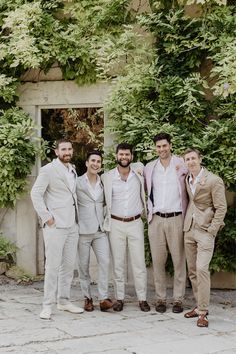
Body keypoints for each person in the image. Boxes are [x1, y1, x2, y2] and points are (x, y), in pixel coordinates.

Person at [31, 138, 84, 319]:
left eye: (69, 149)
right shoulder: (48, 170)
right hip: (55, 226)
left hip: (72, 225)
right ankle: (47, 305)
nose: (67, 152)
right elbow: (35, 194)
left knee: (68, 266)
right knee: (52, 266)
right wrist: (47, 218)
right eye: (63, 149)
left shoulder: (73, 169)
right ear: (56, 152)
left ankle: (63, 301)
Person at [102, 143, 150, 312]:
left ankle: (142, 298)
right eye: (121, 154)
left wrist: (138, 166)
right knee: (118, 264)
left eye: (127, 155)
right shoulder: (107, 177)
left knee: (139, 263)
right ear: (116, 156)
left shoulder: (138, 173)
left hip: (135, 222)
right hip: (115, 224)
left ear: (131, 156)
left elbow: (142, 166)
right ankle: (119, 298)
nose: (124, 157)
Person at [144, 132, 188, 313]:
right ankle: (160, 298)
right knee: (158, 261)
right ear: (156, 148)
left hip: (177, 217)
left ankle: (178, 299)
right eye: (158, 146)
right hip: (156, 219)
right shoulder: (149, 167)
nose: (162, 149)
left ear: (170, 145)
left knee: (179, 261)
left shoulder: (181, 164)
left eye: (164, 145)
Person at [183, 148, 227, 327]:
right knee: (192, 271)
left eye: (193, 158)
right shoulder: (187, 179)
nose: (191, 162)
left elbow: (221, 208)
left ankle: (203, 312)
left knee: (202, 269)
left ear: (200, 159)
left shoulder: (214, 180)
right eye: (187, 159)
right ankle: (199, 305)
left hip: (205, 231)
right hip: (189, 229)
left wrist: (212, 230)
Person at [76, 150, 113, 312]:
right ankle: (87, 298)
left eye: (98, 161)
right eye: (93, 161)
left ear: (101, 165)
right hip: (82, 231)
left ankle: (103, 298)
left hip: (100, 230)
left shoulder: (104, 182)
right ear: (86, 163)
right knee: (83, 266)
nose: (95, 164)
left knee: (105, 262)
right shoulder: (76, 182)